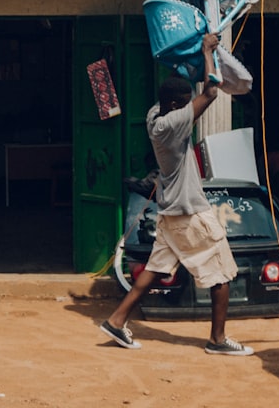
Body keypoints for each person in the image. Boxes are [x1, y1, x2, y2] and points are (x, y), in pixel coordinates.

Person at [100, 33, 253, 356]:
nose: (189, 106)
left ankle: (116, 321)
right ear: (175, 105)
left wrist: (190, 61)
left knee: (153, 270)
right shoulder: (172, 122)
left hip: (170, 212)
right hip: (189, 212)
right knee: (222, 273)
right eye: (184, 103)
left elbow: (182, 85)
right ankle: (218, 339)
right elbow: (211, 91)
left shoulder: (154, 115)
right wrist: (208, 52)